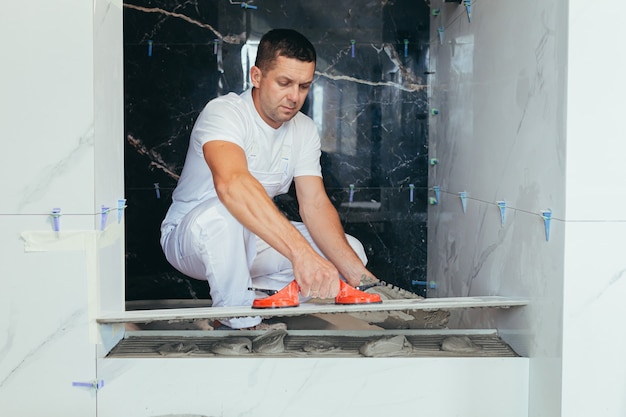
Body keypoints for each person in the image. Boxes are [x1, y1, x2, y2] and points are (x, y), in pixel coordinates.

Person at [160, 28, 380, 329]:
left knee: (350, 252)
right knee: (227, 214)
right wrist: (301, 254)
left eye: (304, 86)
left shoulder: (303, 129)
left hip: (255, 241)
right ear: (256, 76)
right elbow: (232, 185)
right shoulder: (224, 113)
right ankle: (236, 319)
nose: (295, 97)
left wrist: (362, 281)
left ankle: (263, 297)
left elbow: (314, 204)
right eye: (284, 83)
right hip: (192, 238)